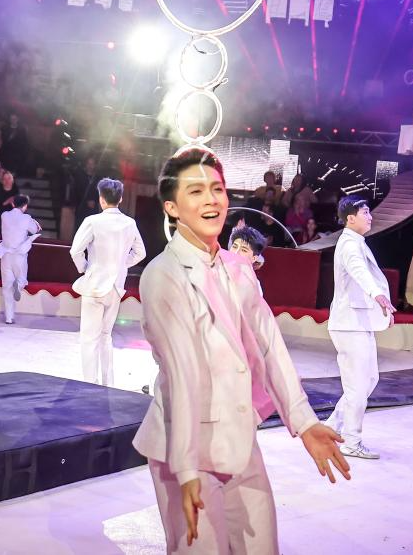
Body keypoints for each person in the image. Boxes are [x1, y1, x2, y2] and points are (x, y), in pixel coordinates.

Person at [134, 148, 349, 553]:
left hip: (238, 440)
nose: (211, 200)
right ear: (172, 207)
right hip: (185, 445)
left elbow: (269, 346)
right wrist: (185, 468)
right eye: (195, 191)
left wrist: (304, 421)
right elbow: (182, 374)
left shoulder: (238, 269)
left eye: (217, 189)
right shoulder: (163, 276)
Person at [326, 195, 396, 460]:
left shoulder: (355, 242)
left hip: (357, 323)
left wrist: (380, 306)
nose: (370, 216)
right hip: (349, 325)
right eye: (365, 212)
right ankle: (351, 441)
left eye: (368, 211)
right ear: (350, 218)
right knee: (357, 386)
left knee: (369, 380)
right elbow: (359, 272)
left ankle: (332, 427)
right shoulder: (348, 245)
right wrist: (378, 295)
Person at [69, 178, 145, 386]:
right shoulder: (130, 223)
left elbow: (75, 251)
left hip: (95, 286)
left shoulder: (93, 221)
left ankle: (90, 383)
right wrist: (121, 265)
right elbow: (141, 252)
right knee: (105, 336)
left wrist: (85, 268)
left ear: (101, 199)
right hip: (116, 288)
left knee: (89, 338)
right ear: (120, 199)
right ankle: (107, 384)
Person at [0, 194, 41, 325]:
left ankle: (9, 317)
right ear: (25, 206)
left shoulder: (4, 215)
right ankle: (18, 286)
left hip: (5, 255)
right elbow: (35, 229)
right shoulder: (26, 218)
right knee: (21, 279)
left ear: (13, 204)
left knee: (6, 286)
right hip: (19, 255)